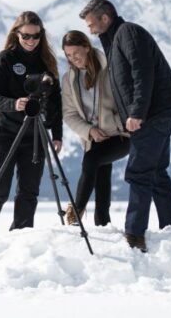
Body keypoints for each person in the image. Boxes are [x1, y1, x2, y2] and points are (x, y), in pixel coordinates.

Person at [79, 0, 171, 252]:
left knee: (138, 172)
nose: (90, 30)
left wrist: (137, 113)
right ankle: (170, 230)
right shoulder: (115, 39)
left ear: (105, 18)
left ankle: (135, 235)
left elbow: (143, 74)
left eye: (91, 24)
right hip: (158, 111)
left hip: (153, 113)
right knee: (156, 173)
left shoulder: (128, 33)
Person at [0, 11, 63, 237]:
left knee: (29, 191)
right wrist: (15, 104)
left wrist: (58, 134)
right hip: (4, 131)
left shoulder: (47, 63)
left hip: (35, 135)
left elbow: (55, 102)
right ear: (16, 34)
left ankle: (20, 241)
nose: (31, 41)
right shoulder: (5, 59)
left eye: (36, 36)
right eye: (26, 36)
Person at [60, 30, 130, 227]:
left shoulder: (110, 69)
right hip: (93, 138)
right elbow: (69, 114)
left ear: (87, 48)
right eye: (68, 56)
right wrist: (89, 131)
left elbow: (126, 103)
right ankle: (103, 222)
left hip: (121, 135)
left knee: (92, 160)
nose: (73, 59)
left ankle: (76, 210)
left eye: (76, 54)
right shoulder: (69, 80)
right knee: (100, 169)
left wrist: (114, 125)